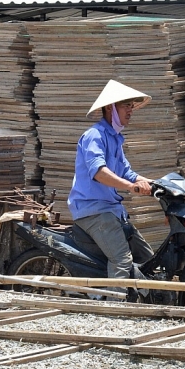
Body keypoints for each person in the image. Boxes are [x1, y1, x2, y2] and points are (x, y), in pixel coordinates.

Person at [67, 79, 155, 297]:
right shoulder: (94, 136)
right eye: (126, 105)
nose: (131, 111)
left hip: (112, 211)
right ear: (110, 108)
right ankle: (114, 309)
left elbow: (128, 172)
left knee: (149, 258)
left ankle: (150, 300)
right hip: (94, 211)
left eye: (132, 106)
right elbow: (99, 172)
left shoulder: (115, 138)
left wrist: (158, 184)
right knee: (121, 259)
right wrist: (130, 187)